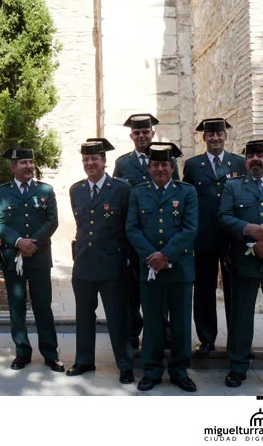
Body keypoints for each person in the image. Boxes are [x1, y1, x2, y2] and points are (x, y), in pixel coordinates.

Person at [126, 143, 198, 392]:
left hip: (179, 268)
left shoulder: (187, 192)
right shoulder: (138, 193)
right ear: (149, 167)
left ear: (172, 167)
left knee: (180, 323)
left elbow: (190, 229)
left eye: (164, 165)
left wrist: (166, 256)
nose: (159, 169)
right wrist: (152, 257)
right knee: (154, 321)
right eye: (155, 165)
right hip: (149, 268)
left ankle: (180, 371)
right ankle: (152, 370)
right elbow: (132, 229)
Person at [218, 140, 263, 390]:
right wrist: (248, 229)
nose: (255, 159)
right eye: (250, 156)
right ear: (246, 161)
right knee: (241, 317)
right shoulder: (234, 186)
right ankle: (237, 367)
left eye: (260, 155)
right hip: (244, 262)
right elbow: (224, 217)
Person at [0, 148, 63, 372]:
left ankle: (50, 354)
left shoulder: (45, 190)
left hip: (39, 257)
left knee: (43, 307)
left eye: (31, 162)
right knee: (16, 307)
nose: (29, 166)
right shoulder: (2, 193)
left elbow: (52, 221)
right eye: (23, 163)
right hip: (14, 258)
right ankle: (22, 352)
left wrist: (33, 243)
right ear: (13, 167)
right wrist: (18, 241)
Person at [68, 139, 134, 383]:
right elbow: (82, 227)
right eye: (86, 160)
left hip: (112, 263)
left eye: (95, 159)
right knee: (84, 315)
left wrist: (123, 258)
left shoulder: (121, 189)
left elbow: (129, 227)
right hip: (84, 263)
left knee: (117, 317)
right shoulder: (76, 190)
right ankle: (84, 360)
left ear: (104, 162)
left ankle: (125, 365)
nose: (90, 163)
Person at [114, 113, 179, 350]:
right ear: (132, 136)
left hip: (161, 237)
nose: (142, 136)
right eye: (137, 133)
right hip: (134, 238)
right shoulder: (123, 164)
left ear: (153, 133)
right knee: (132, 288)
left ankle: (163, 331)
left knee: (161, 289)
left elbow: (177, 195)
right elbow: (118, 197)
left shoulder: (168, 159)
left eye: (146, 132)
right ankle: (133, 332)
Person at [182, 118, 246, 356]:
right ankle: (206, 339)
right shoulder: (192, 165)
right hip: (204, 236)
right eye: (210, 134)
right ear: (204, 138)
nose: (215, 138)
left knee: (236, 290)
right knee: (204, 289)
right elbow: (188, 201)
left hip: (233, 238)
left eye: (219, 134)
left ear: (225, 136)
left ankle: (237, 340)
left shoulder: (239, 163)